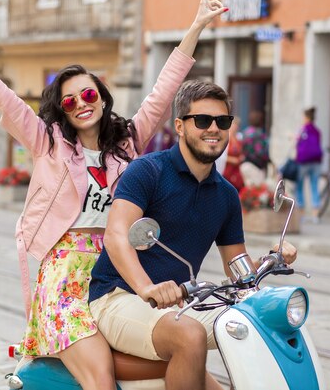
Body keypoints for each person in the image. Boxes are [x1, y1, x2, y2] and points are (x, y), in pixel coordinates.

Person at [0, 0, 228, 389]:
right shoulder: (47, 142)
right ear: (62, 112)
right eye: (69, 101)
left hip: (119, 270)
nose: (81, 104)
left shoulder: (129, 142)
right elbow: (0, 96)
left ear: (102, 97)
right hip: (67, 275)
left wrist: (196, 27)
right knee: (101, 380)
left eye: (88, 94)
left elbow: (164, 90)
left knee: (180, 362)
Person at [89, 80, 297, 390]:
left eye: (222, 121)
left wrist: (272, 257)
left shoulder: (226, 196)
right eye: (202, 120)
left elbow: (237, 271)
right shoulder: (148, 171)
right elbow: (117, 235)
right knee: (190, 334)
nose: (214, 128)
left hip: (177, 307)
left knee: (258, 323)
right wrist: (147, 288)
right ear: (180, 126)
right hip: (118, 297)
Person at [295, 107, 323, 223]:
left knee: (299, 186)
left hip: (303, 162)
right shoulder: (317, 131)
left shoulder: (303, 129)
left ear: (306, 117)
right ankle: (315, 215)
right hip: (316, 162)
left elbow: (297, 142)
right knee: (315, 186)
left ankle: (301, 214)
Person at [240, 109, 269, 186]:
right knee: (259, 192)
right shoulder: (259, 134)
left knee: (249, 192)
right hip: (256, 166)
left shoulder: (245, 132)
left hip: (245, 164)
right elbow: (261, 152)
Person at [222, 117, 244, 192]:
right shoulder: (225, 138)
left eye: (237, 126)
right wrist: (232, 160)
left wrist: (241, 158)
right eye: (234, 125)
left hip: (236, 170)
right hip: (227, 169)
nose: (235, 127)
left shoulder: (238, 138)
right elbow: (220, 156)